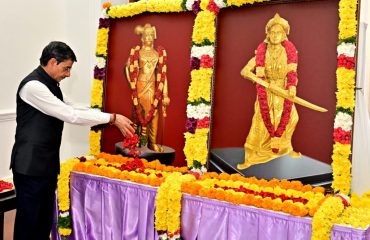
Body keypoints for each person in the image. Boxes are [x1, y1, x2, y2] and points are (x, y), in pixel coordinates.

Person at [10, 41, 135, 240]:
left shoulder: (52, 85)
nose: (68, 74)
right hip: (30, 165)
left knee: (43, 220)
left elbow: (76, 109)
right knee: (29, 221)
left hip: (45, 164)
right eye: (66, 68)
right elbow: (70, 115)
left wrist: (109, 115)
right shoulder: (33, 86)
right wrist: (111, 118)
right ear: (52, 62)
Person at [237, 14, 300, 170]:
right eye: (272, 32)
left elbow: (292, 72)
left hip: (283, 91)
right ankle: (251, 157)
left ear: (284, 34)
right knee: (262, 122)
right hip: (266, 93)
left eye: (278, 32)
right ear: (268, 34)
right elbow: (245, 71)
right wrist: (261, 81)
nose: (275, 35)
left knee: (292, 118)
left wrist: (292, 86)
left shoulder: (290, 52)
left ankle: (285, 148)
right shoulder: (261, 52)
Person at [125, 23, 170, 152]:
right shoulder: (137, 53)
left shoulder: (158, 54)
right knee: (137, 114)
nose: (149, 37)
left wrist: (165, 94)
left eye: (151, 35)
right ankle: (134, 140)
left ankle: (152, 142)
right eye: (146, 35)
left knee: (154, 115)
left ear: (154, 36)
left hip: (152, 87)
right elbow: (127, 69)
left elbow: (163, 75)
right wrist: (132, 85)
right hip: (139, 86)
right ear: (142, 38)